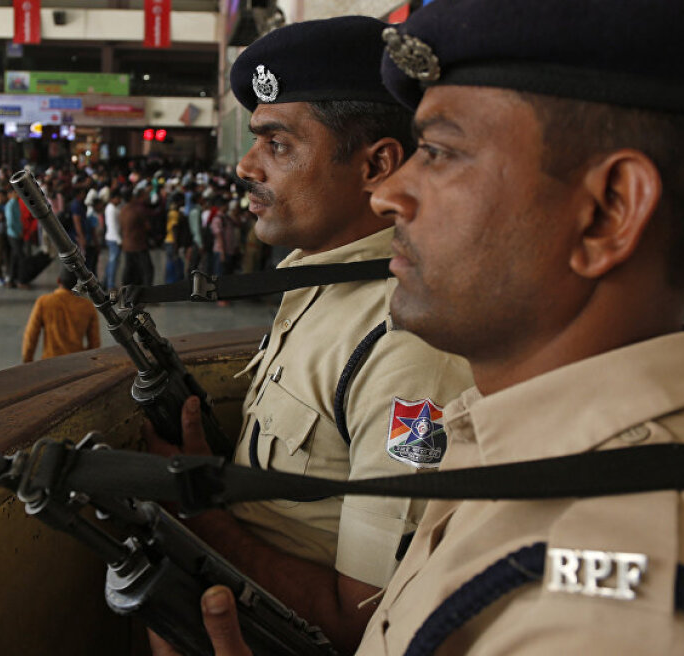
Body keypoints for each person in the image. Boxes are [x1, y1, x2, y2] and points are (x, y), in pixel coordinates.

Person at [189, 2, 684, 654]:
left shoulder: (618, 620)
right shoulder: (510, 442)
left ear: (607, 212)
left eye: (439, 151)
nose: (387, 194)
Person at [146, 17, 472, 655]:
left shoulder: (409, 343)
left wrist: (201, 515)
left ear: (376, 164)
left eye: (278, 143)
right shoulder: (319, 281)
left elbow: (367, 618)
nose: (246, 166)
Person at [21, 269, 100, 363]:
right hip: (77, 363)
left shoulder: (44, 302)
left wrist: (27, 361)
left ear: (58, 280)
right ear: (77, 284)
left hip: (50, 362)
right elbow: (95, 343)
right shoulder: (87, 306)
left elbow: (31, 336)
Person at [117, 189, 152, 287]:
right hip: (138, 244)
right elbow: (147, 226)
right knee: (147, 270)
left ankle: (125, 289)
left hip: (127, 244)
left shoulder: (122, 210)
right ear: (132, 198)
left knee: (129, 269)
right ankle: (148, 294)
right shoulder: (138, 210)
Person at [103, 192, 122, 289]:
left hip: (113, 237)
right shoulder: (111, 209)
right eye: (118, 198)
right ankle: (110, 284)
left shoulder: (114, 208)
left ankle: (106, 282)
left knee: (111, 262)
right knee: (113, 262)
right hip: (114, 238)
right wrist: (119, 240)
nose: (120, 201)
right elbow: (113, 226)